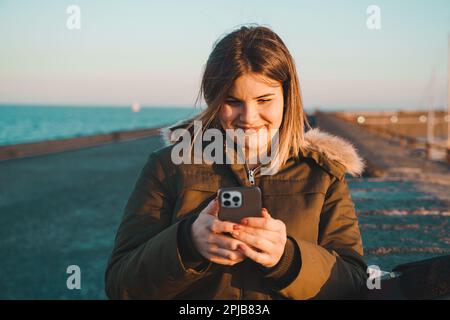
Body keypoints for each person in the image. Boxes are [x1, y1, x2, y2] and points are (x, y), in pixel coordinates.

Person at [105, 25, 368, 300]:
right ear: (213, 99)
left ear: (288, 98)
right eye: (232, 101)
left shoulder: (323, 173)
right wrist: (187, 243)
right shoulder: (169, 167)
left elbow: (353, 283)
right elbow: (121, 286)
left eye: (264, 100)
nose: (249, 117)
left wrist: (287, 258)